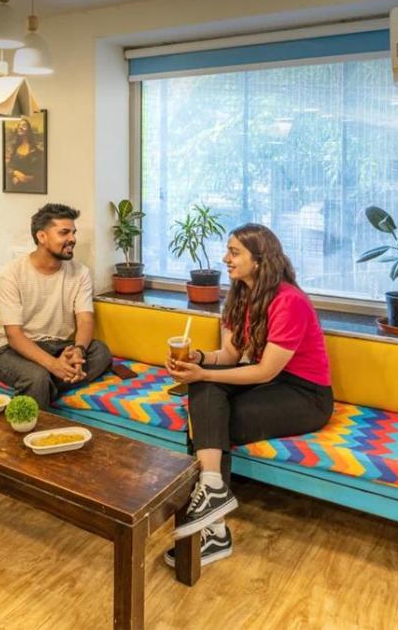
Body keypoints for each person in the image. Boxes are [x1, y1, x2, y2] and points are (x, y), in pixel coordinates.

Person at [164, 223, 333, 567]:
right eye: (227, 251)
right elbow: (229, 356)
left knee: (212, 419)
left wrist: (204, 373)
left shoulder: (289, 301)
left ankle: (214, 528)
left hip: (305, 395)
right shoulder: (240, 296)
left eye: (234, 252)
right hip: (271, 384)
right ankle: (213, 493)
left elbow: (265, 370)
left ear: (259, 259)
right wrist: (199, 359)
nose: (225, 258)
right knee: (204, 394)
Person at [0, 203, 113, 408]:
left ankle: (46, 386)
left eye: (73, 232)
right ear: (42, 236)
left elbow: (85, 320)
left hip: (58, 345)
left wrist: (78, 351)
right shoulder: (11, 274)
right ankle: (40, 397)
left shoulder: (80, 273)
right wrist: (53, 365)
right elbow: (14, 335)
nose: (72, 238)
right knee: (36, 377)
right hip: (12, 349)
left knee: (101, 352)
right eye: (64, 232)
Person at [4, 116, 44, 190]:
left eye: (24, 125)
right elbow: (8, 166)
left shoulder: (36, 150)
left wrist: (27, 178)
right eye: (19, 125)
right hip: (14, 188)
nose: (20, 127)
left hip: (32, 188)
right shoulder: (13, 148)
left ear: (29, 130)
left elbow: (40, 171)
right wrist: (15, 173)